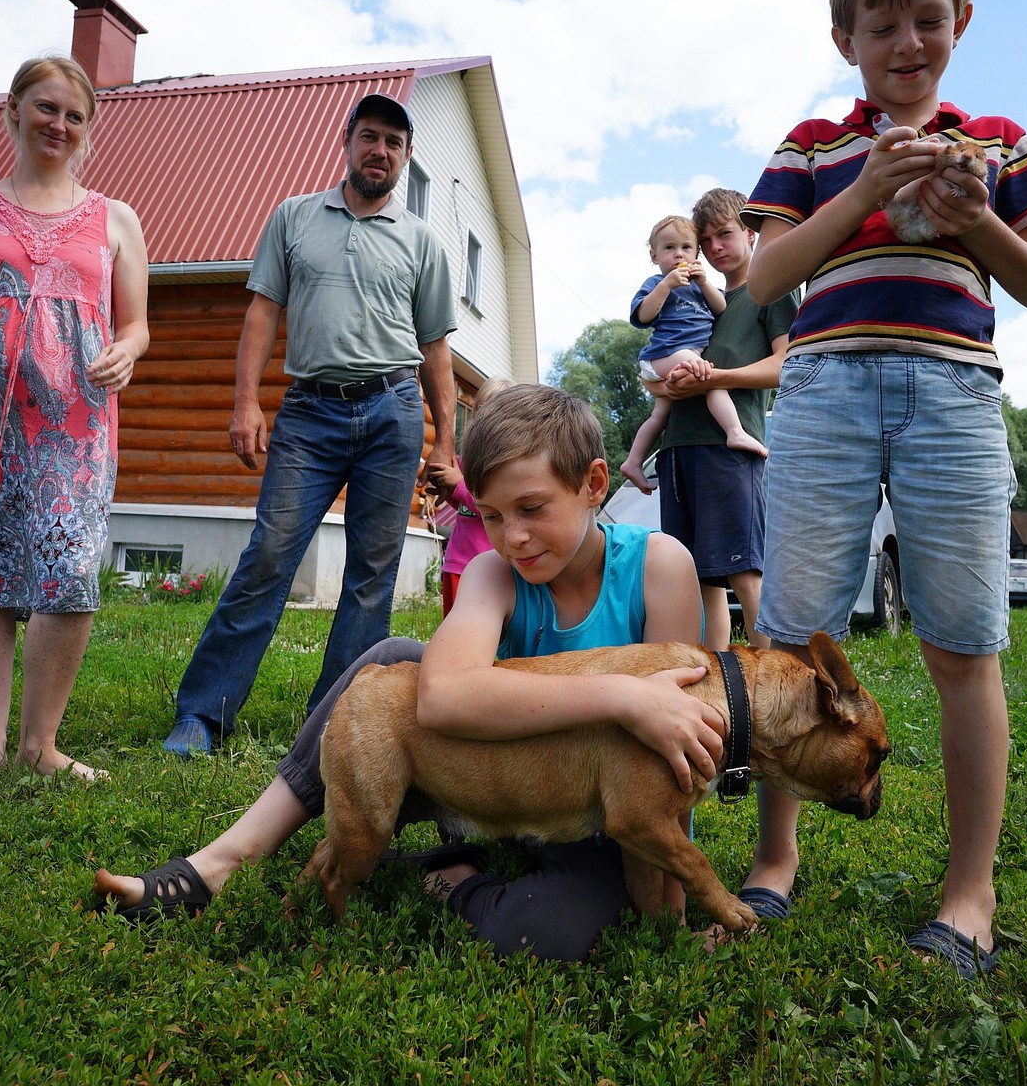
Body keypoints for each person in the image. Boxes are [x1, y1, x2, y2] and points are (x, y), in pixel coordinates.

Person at [96, 384, 730, 963]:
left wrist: (667, 910)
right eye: (490, 515)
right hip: (486, 779)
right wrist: (622, 696)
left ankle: (447, 874)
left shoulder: (658, 566)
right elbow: (444, 698)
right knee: (392, 663)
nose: (513, 537)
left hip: (593, 813)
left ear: (595, 483)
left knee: (547, 935)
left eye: (532, 507)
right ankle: (224, 859)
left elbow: (671, 757)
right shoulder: (494, 573)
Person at [741, 0, 1027, 978]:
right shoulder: (812, 147)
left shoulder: (1000, 146)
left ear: (960, 20)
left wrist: (974, 220)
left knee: (963, 644)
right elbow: (766, 276)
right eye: (881, 29)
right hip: (826, 388)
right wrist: (865, 194)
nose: (906, 45)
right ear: (847, 42)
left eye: (927, 21)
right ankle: (775, 861)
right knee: (792, 636)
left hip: (954, 395)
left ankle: (968, 892)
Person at [162, 92, 458, 757]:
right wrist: (245, 402)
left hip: (393, 411)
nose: (380, 151)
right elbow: (262, 314)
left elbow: (436, 347)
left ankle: (334, 722)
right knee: (268, 557)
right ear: (347, 142)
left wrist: (449, 443)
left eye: (394, 143)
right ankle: (202, 717)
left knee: (372, 575)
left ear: (405, 158)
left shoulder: (422, 242)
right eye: (370, 137)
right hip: (308, 413)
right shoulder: (294, 217)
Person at [0, 54, 150, 781]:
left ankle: (40, 745)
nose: (60, 124)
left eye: (75, 115)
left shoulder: (117, 218)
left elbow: (137, 325)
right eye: (46, 107)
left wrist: (128, 352)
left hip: (74, 419)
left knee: (71, 564)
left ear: (89, 129)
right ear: (13, 110)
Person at [655, 190, 799, 661]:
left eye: (726, 234)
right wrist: (666, 388)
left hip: (731, 450)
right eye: (707, 239)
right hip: (678, 445)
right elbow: (667, 362)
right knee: (699, 579)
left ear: (751, 233)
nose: (716, 247)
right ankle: (716, 681)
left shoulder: (770, 290)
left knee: (743, 571)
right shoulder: (694, 295)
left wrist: (715, 379)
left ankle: (777, 683)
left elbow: (786, 366)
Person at [619, 215, 767, 493]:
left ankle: (633, 461)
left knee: (659, 415)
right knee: (709, 379)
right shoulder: (655, 282)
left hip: (681, 356)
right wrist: (666, 285)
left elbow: (721, 307)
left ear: (696, 253)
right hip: (665, 352)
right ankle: (735, 432)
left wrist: (704, 282)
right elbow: (642, 315)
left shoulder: (699, 285)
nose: (678, 255)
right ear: (654, 255)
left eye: (686, 248)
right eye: (669, 248)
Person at [423, 375, 514, 616]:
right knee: (453, 625)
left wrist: (459, 484)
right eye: (482, 415)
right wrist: (446, 485)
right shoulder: (467, 462)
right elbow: (463, 506)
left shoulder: (508, 469)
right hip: (458, 562)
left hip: (489, 565)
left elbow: (493, 506)